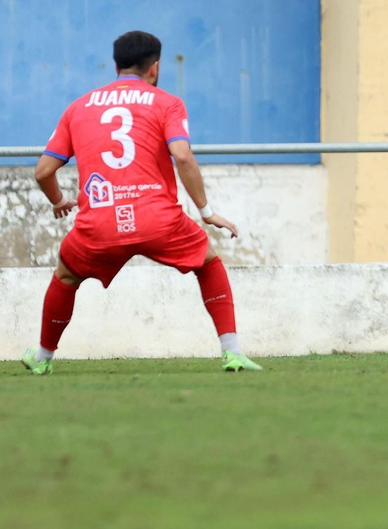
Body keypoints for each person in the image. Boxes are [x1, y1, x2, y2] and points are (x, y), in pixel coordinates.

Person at [23, 30, 260, 374]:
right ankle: (233, 352)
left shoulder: (78, 108)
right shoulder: (167, 103)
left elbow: (43, 171)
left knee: (66, 277)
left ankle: (43, 358)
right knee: (208, 262)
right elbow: (182, 155)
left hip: (99, 223)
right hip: (157, 218)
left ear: (116, 65)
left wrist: (59, 200)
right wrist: (207, 212)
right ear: (155, 67)